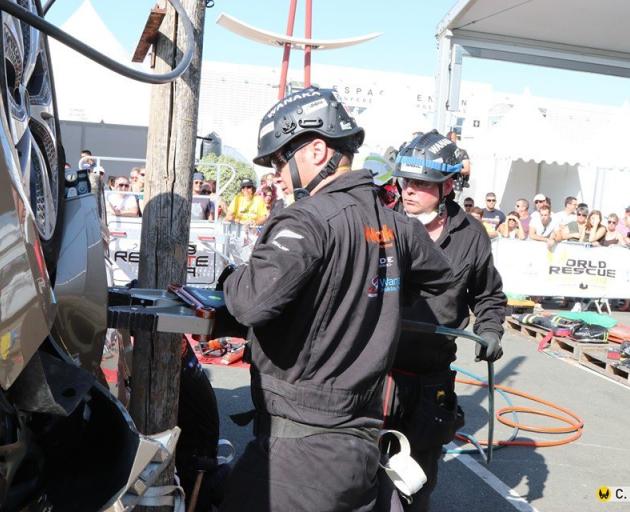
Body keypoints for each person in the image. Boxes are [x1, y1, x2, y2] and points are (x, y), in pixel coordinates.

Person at [219, 88, 455, 512]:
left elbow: (250, 303)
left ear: (315, 149)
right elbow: (441, 277)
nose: (277, 174)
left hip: (298, 453)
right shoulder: (396, 224)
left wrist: (231, 279)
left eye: (278, 160)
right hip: (358, 448)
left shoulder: (307, 219)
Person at [387, 130, 506, 512]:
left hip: (429, 381)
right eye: (406, 182)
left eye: (421, 184)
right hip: (374, 374)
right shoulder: (382, 224)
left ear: (448, 186)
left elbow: (488, 295)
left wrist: (489, 331)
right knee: (361, 477)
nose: (409, 191)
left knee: (416, 483)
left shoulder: (472, 236)